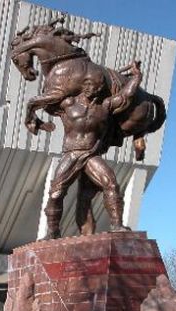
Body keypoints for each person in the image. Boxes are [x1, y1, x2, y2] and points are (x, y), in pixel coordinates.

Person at [42, 61, 143, 239]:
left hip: (91, 155)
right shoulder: (68, 103)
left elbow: (126, 96)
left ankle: (117, 225)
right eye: (87, 84)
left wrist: (136, 77)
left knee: (110, 183)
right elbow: (47, 99)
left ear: (100, 89)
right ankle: (52, 231)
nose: (90, 88)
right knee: (56, 193)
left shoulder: (105, 107)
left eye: (95, 86)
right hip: (72, 153)